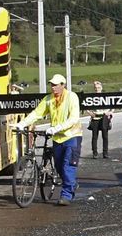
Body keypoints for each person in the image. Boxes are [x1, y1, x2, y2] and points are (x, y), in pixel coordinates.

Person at [18, 73, 83, 205]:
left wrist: (57, 128)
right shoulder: (49, 99)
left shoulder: (72, 97)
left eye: (55, 85)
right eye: (51, 85)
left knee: (67, 166)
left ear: (63, 85)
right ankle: (72, 183)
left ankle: (66, 196)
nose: (53, 87)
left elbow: (74, 118)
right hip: (57, 139)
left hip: (72, 136)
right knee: (59, 167)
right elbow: (37, 113)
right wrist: (23, 123)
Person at [88, 80, 113, 158]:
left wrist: (110, 112)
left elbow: (113, 106)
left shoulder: (106, 97)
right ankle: (95, 153)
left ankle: (105, 153)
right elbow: (85, 106)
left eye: (98, 87)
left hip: (104, 118)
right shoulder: (91, 97)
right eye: (96, 88)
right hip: (95, 118)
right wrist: (90, 113)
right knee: (94, 137)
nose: (97, 89)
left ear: (101, 88)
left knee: (105, 136)